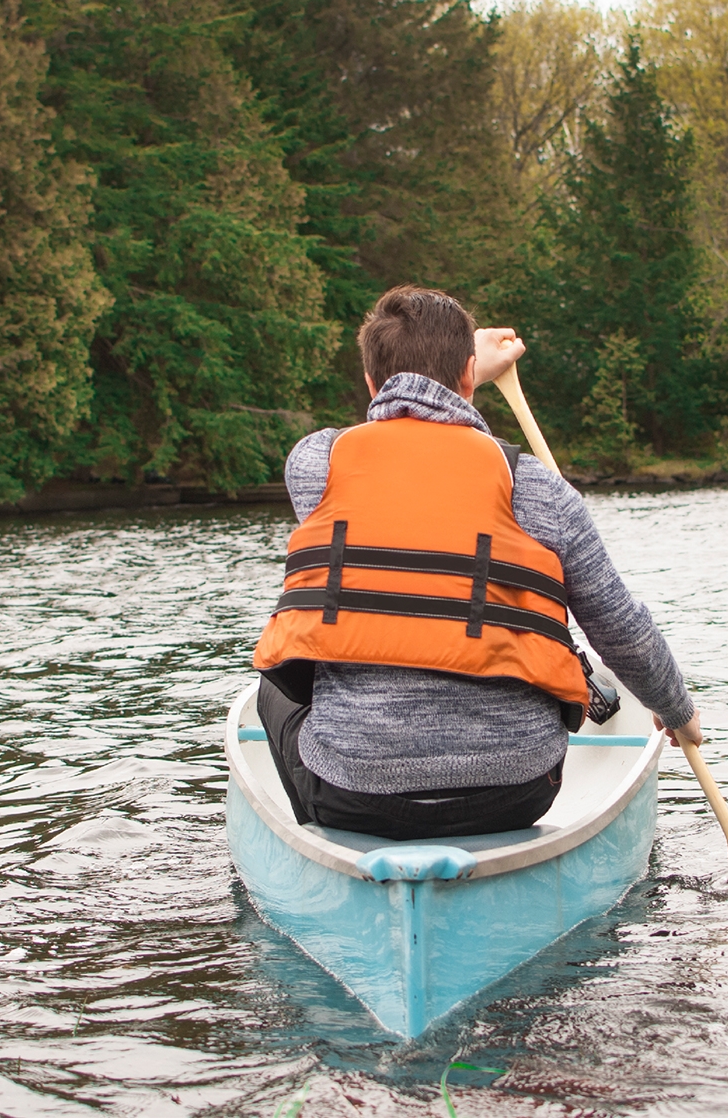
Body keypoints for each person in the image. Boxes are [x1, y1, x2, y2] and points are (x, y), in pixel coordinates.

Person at [252, 285, 702, 841]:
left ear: (371, 384)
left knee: (270, 687)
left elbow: (377, 439)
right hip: (515, 791)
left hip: (354, 793)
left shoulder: (314, 463)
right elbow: (619, 626)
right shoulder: (540, 488)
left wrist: (461, 373)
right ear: (469, 379)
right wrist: (676, 709)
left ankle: (322, 844)